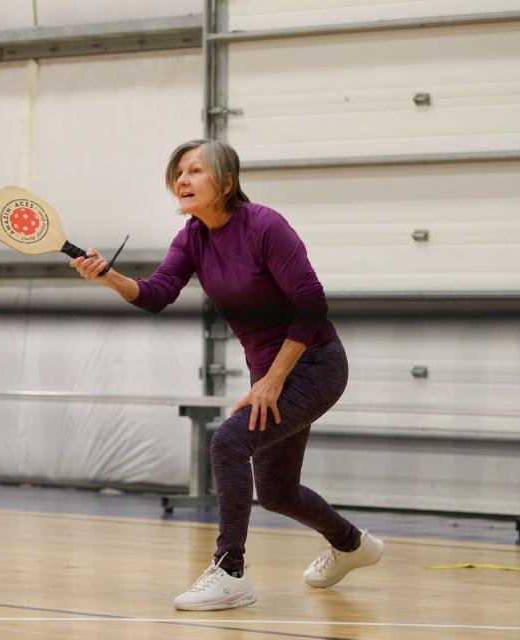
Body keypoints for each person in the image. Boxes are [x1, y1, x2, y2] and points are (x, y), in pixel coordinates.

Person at [70, 139, 384, 611]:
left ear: (228, 181)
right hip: (270, 374)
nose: (182, 179)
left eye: (195, 170)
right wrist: (108, 276)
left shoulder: (265, 226)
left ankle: (231, 571)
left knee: (228, 442)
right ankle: (351, 544)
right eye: (178, 172)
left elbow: (312, 305)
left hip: (315, 365)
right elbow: (157, 294)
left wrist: (273, 380)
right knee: (276, 492)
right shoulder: (193, 238)